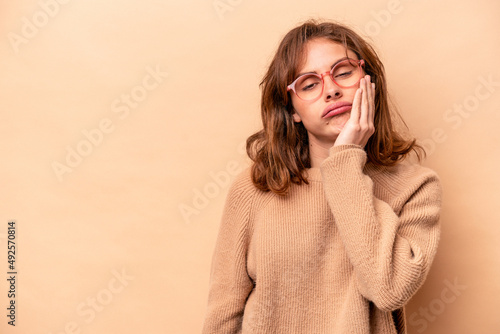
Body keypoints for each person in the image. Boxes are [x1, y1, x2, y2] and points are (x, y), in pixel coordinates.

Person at [201, 19, 442, 334]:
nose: (331, 90)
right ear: (293, 111)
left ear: (369, 81)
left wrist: (344, 164)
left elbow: (390, 289)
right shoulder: (255, 188)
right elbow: (223, 316)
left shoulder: (416, 187)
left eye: (343, 72)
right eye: (309, 84)